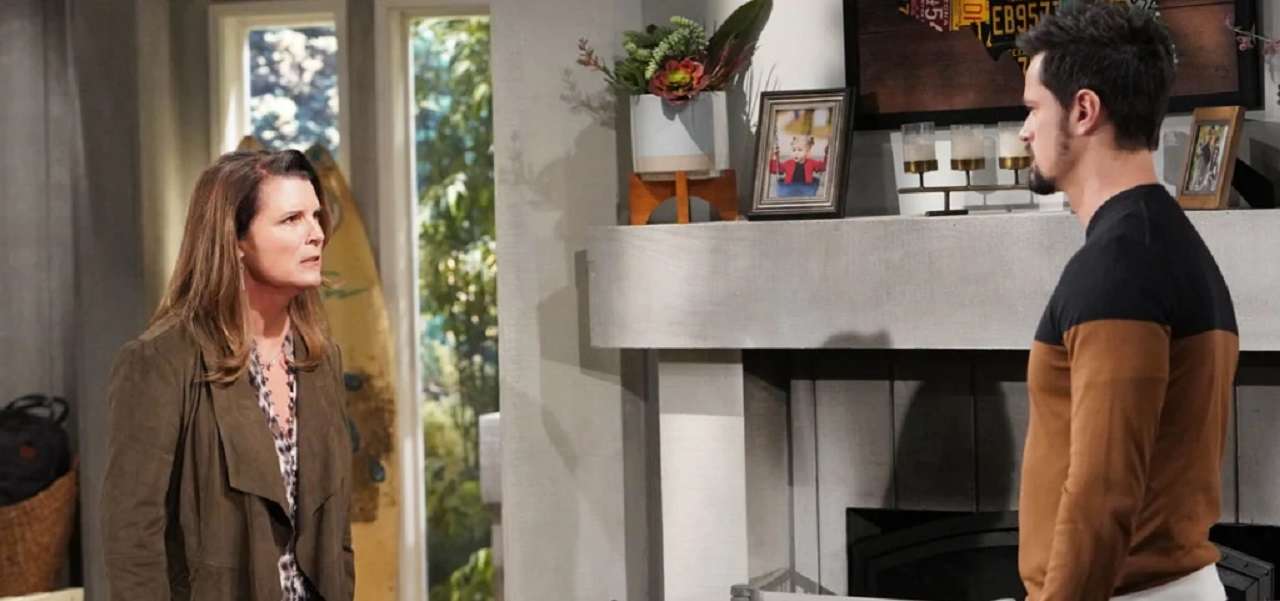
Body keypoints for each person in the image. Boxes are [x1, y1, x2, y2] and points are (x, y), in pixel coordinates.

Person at [1016, 2, 1237, 600]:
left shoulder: (1120, 266)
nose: (1025, 130)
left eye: (1034, 108)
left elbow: (1103, 492)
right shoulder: (1162, 242)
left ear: (1084, 110)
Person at [101, 149, 355, 600]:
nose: (316, 234)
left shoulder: (320, 360)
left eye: (316, 216)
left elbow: (337, 534)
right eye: (291, 219)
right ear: (235, 240)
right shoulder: (161, 361)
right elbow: (131, 540)